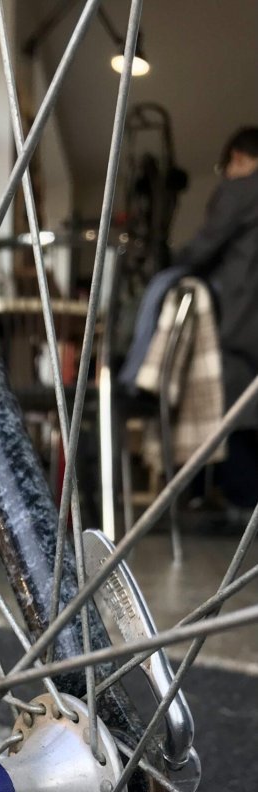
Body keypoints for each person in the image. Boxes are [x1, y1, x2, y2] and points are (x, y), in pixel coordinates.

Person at [172, 127, 258, 511]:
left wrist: (170, 266)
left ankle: (241, 502)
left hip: (242, 320)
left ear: (237, 158)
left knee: (233, 406)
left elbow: (205, 246)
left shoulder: (240, 191)